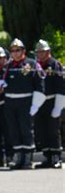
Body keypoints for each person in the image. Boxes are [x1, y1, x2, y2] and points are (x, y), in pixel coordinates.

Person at [0, 38, 45, 169]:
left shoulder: (31, 64)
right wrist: (1, 84)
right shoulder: (8, 66)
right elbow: (3, 81)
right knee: (13, 130)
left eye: (17, 50)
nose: (14, 53)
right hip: (10, 102)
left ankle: (27, 158)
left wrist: (36, 104)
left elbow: (40, 84)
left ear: (23, 50)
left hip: (25, 102)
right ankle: (18, 157)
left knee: (26, 130)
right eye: (12, 50)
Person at [33, 39, 64, 168]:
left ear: (48, 52)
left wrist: (58, 106)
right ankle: (47, 156)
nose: (40, 54)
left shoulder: (55, 64)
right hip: (39, 103)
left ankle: (56, 156)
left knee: (53, 131)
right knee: (41, 131)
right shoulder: (36, 66)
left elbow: (61, 85)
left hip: (52, 101)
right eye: (38, 52)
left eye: (42, 51)